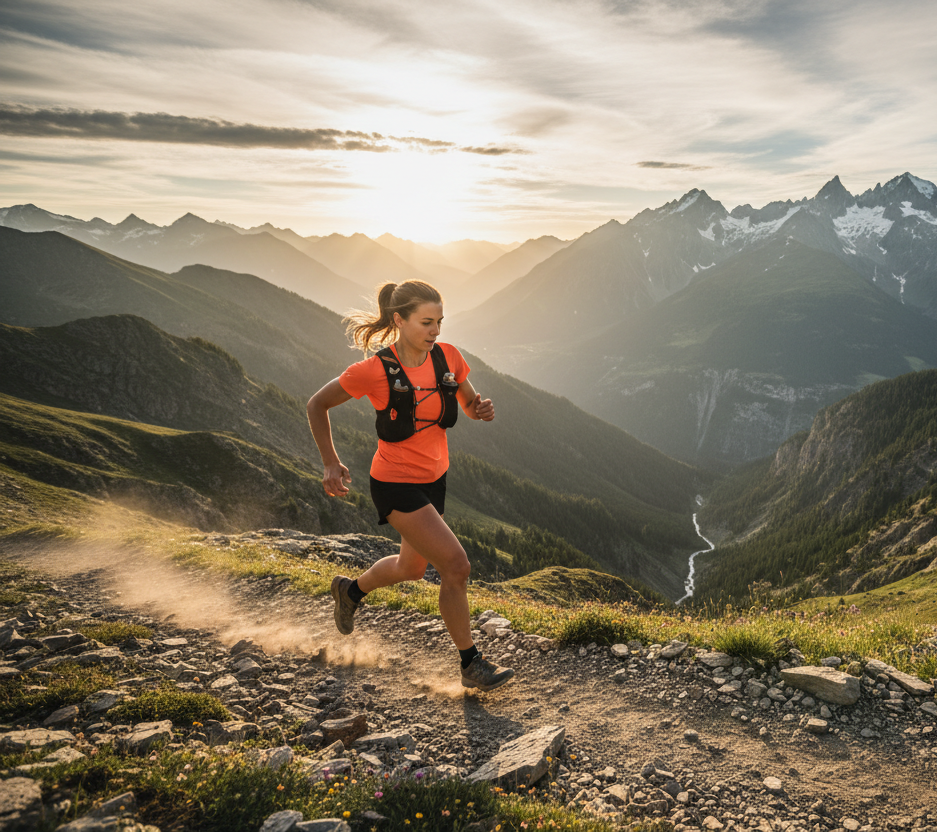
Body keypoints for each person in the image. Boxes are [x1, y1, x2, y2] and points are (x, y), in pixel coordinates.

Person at [306, 280, 514, 692]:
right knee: (456, 566)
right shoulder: (374, 370)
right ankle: (471, 664)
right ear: (399, 320)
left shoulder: (449, 357)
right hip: (395, 482)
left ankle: (350, 591)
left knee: (410, 568)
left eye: (439, 321)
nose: (435, 331)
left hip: (434, 478)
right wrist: (331, 462)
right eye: (426, 322)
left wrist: (481, 409)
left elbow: (469, 405)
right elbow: (317, 404)